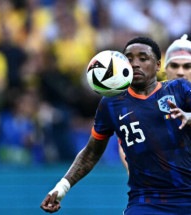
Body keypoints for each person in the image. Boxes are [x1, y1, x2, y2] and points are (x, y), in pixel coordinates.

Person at [40, 36, 191, 214]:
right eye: (129, 59)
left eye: (143, 58)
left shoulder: (179, 89)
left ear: (158, 65)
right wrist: (62, 187)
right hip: (146, 201)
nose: (135, 64)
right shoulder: (111, 104)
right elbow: (91, 152)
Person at [119, 33, 191, 173]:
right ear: (164, 69)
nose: (180, 72)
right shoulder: (145, 100)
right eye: (174, 66)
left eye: (187, 66)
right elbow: (126, 142)